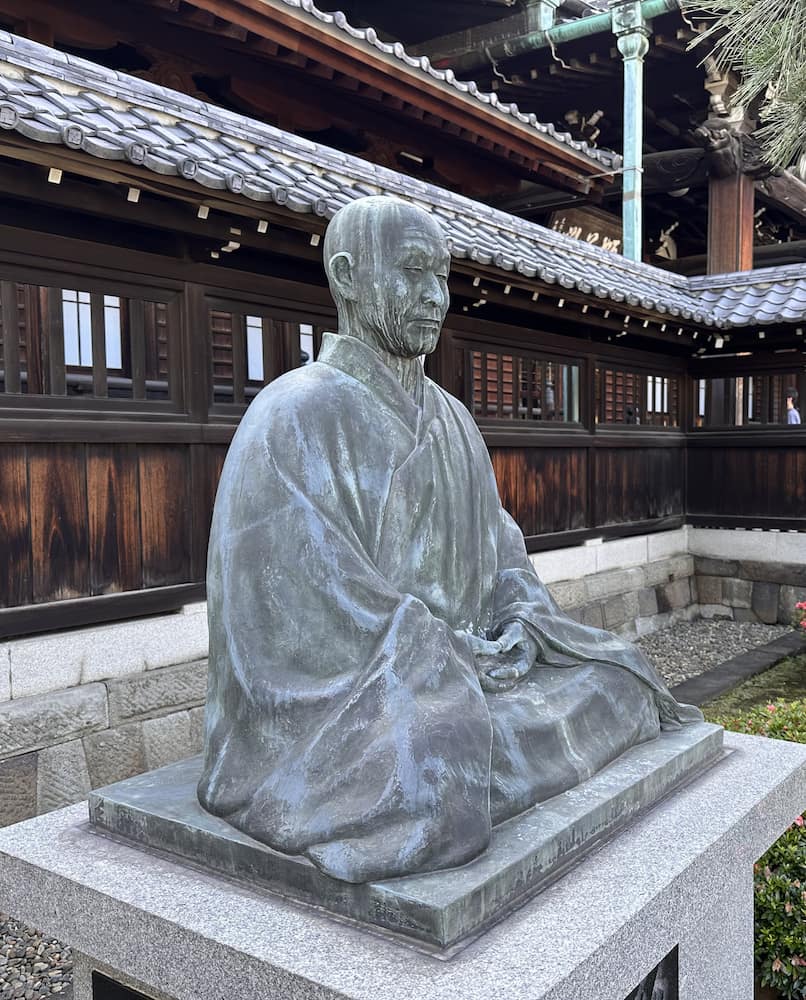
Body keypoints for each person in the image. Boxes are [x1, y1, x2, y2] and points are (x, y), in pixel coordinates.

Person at [197, 196, 702, 884]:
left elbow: (503, 551)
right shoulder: (292, 415)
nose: (436, 297)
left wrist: (522, 624)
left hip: (476, 671)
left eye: (442, 277)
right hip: (360, 697)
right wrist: (441, 651)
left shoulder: (455, 420)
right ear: (346, 277)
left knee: (617, 676)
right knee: (436, 762)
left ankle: (483, 738)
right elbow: (295, 614)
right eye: (412, 274)